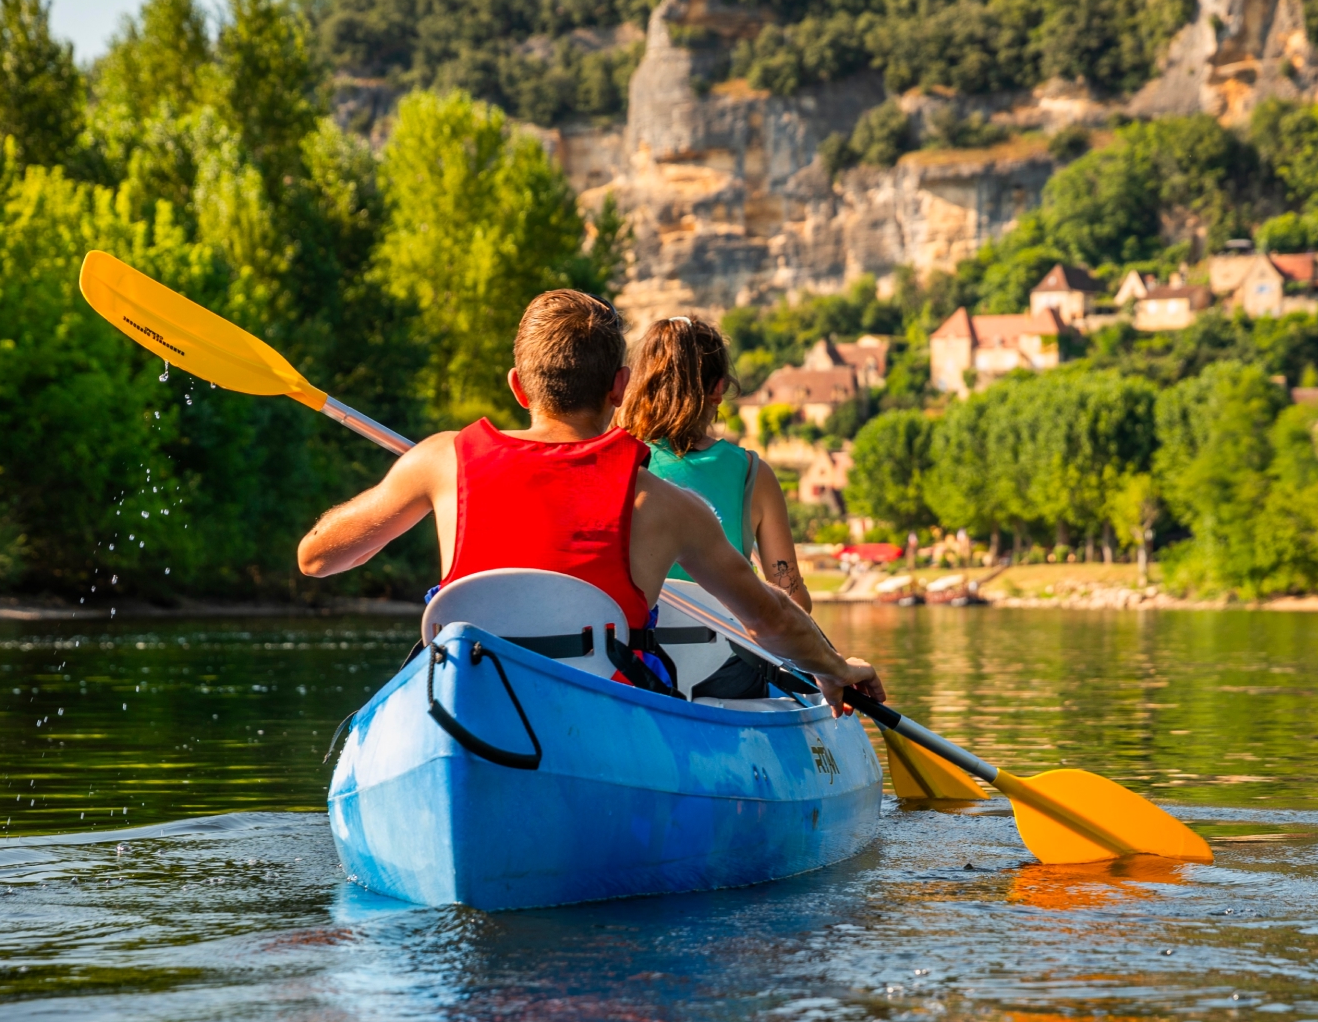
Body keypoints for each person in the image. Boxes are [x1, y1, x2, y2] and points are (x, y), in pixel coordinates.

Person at [295, 289, 882, 709]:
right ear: (618, 387)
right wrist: (834, 668)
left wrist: (409, 479)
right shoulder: (668, 506)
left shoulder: (440, 461)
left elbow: (317, 557)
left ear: (518, 386)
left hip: (474, 702)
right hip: (608, 716)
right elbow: (769, 615)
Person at [618, 316, 811, 611]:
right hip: (723, 650)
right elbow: (794, 603)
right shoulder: (751, 474)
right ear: (718, 389)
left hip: (642, 648)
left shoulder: (617, 463)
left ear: (640, 384)